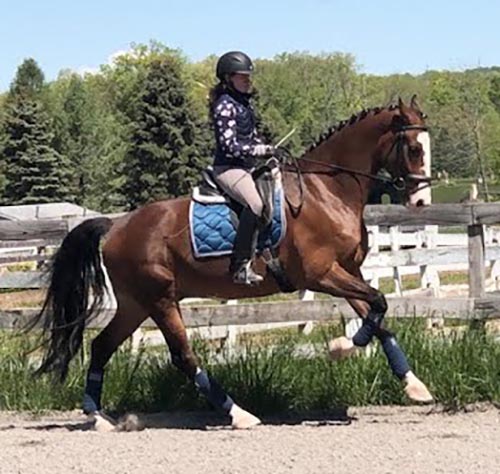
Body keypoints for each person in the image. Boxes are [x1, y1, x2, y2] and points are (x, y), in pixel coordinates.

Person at [209, 51, 275, 285]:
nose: (248, 81)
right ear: (228, 78)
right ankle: (240, 265)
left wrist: (266, 149)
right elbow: (229, 146)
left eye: (248, 77)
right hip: (229, 168)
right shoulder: (225, 106)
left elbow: (251, 138)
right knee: (256, 204)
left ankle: (270, 251)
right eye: (242, 77)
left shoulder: (244, 105)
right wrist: (255, 151)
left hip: (246, 166)